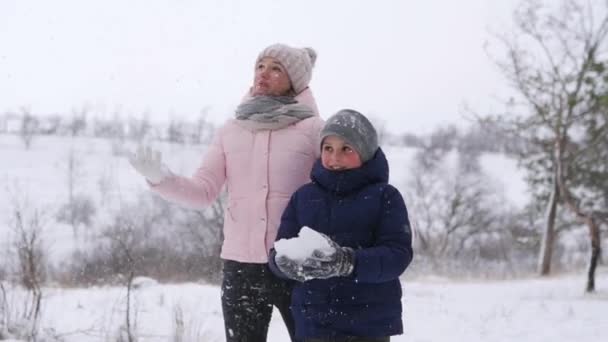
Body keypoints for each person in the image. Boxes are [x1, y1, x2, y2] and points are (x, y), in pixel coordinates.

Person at [128, 43, 324, 342]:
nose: (264, 74)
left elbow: (336, 192)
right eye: (260, 66)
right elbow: (203, 192)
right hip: (241, 267)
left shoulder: (314, 130)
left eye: (276, 68)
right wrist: (162, 179)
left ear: (295, 80)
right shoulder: (232, 130)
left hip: (295, 263)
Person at [268, 109, 414, 342]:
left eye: (346, 149)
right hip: (313, 324)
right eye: (328, 149)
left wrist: (348, 262)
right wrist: (281, 263)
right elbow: (280, 248)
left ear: (365, 152)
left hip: (368, 326)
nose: (334, 158)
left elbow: (397, 255)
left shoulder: (385, 197)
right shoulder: (303, 197)